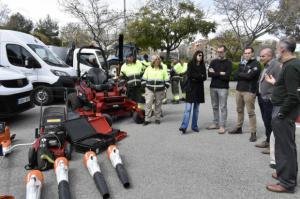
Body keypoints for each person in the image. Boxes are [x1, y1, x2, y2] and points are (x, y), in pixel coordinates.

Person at [266, 37, 300, 193]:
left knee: (284, 148)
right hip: (282, 110)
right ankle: (283, 173)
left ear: (282, 50)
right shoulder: (289, 65)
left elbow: (293, 95)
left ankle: (286, 183)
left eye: (277, 48)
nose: (276, 50)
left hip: (283, 112)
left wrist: (281, 114)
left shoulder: (291, 66)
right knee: (284, 146)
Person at [229, 47, 261, 142]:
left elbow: (250, 76)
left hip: (249, 91)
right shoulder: (242, 63)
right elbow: (235, 75)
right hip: (239, 90)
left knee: (250, 112)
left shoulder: (256, 64)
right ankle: (239, 128)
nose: (246, 54)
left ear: (252, 54)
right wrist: (244, 74)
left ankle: (253, 133)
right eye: (245, 53)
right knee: (239, 110)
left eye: (248, 53)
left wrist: (241, 74)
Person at [255, 48, 281, 154]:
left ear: (270, 56)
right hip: (262, 97)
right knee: (266, 121)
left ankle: (273, 146)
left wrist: (271, 96)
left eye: (263, 56)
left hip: (270, 99)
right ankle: (268, 140)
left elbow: (279, 83)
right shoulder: (266, 65)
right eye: (260, 56)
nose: (261, 58)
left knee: (271, 122)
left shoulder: (276, 66)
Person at [206, 45, 233, 134]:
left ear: (225, 52)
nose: (219, 53)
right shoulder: (213, 62)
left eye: (221, 52)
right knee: (215, 106)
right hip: (213, 87)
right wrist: (220, 73)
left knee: (223, 107)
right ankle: (215, 123)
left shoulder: (229, 63)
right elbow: (209, 74)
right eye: (218, 52)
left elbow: (227, 76)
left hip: (223, 88)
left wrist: (216, 73)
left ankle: (222, 126)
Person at [179, 50, 207, 134]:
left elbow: (204, 77)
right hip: (191, 89)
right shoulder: (190, 64)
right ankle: (184, 126)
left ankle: (194, 126)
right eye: (199, 55)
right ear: (195, 55)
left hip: (199, 90)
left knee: (196, 110)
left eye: (201, 55)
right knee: (188, 109)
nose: (200, 56)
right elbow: (190, 75)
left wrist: (197, 77)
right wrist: (199, 76)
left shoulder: (203, 65)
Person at [142, 55, 170, 125]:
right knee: (148, 104)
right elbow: (143, 79)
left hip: (160, 90)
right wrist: (145, 87)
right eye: (155, 59)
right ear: (152, 61)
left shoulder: (163, 69)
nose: (157, 61)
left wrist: (165, 88)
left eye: (158, 59)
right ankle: (147, 119)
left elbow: (167, 80)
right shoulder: (148, 68)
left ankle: (157, 118)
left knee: (158, 104)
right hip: (149, 89)